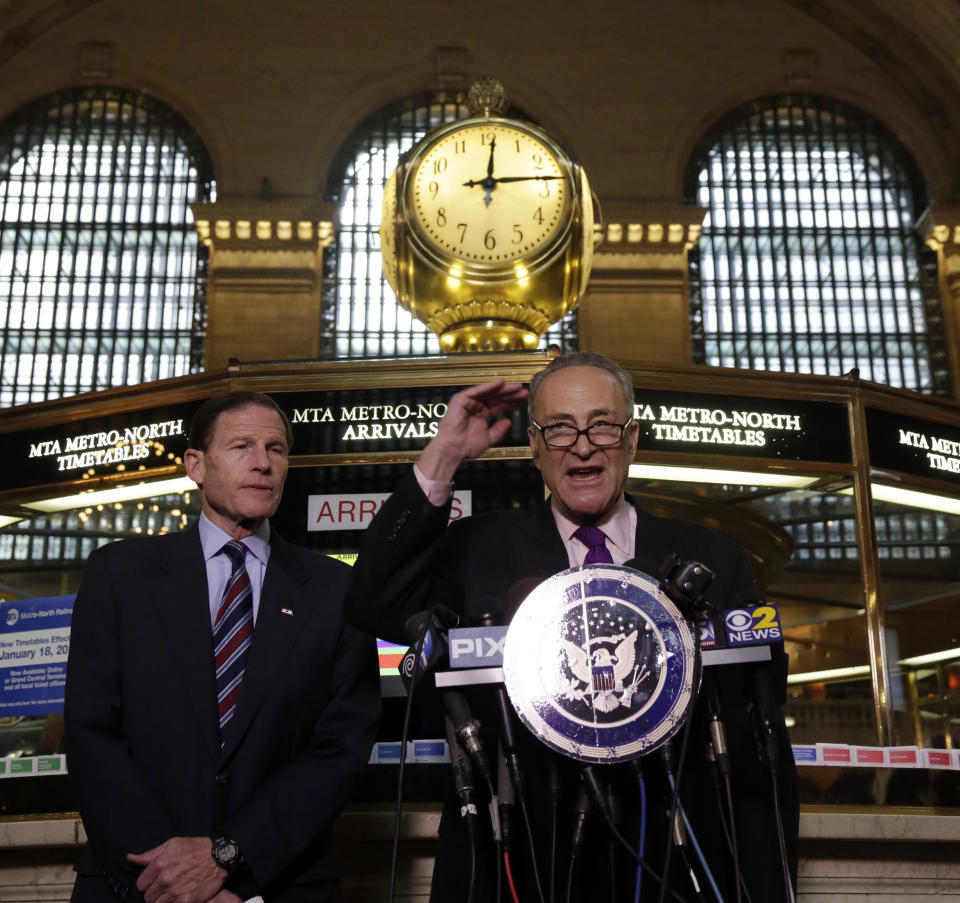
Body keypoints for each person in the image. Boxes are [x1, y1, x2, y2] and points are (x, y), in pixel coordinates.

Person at [345, 351, 798, 902]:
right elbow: (373, 600)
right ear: (533, 447)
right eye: (559, 429)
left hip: (673, 868)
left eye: (602, 425)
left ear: (631, 440)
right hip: (522, 862)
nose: (582, 445)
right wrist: (443, 458)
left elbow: (759, 710)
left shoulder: (714, 558)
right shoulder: (478, 550)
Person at [65, 390, 380, 903]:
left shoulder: (334, 591)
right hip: (136, 882)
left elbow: (339, 751)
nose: (262, 463)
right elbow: (91, 735)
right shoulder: (119, 575)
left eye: (276, 449)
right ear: (195, 464)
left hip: (277, 885)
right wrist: (173, 876)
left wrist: (227, 859)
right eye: (241, 447)